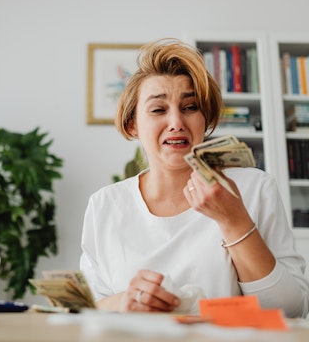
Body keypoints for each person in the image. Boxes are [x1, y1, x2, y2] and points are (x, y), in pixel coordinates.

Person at [80, 38, 309, 318]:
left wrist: (234, 220)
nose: (176, 122)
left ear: (205, 119)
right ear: (133, 125)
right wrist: (122, 302)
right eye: (158, 109)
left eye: (190, 107)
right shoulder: (104, 204)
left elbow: (291, 310)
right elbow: (86, 309)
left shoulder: (255, 188)